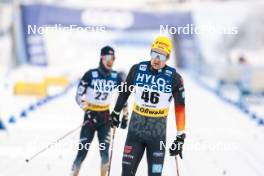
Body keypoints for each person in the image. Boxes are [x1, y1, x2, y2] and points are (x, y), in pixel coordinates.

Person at [110, 36, 186, 176]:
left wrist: (180, 137)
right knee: (126, 173)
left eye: (161, 56)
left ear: (168, 57)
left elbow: (180, 108)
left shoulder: (175, 78)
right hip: (135, 131)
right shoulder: (137, 69)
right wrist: (115, 113)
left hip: (157, 135)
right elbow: (124, 92)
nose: (157, 59)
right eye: (154, 54)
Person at [71, 46, 128, 176]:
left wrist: (125, 115)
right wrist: (89, 112)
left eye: (112, 58)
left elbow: (123, 96)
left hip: (105, 119)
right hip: (90, 119)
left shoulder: (115, 76)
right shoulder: (90, 75)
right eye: (107, 58)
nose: (110, 61)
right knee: (82, 153)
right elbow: (78, 97)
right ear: (101, 58)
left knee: (104, 153)